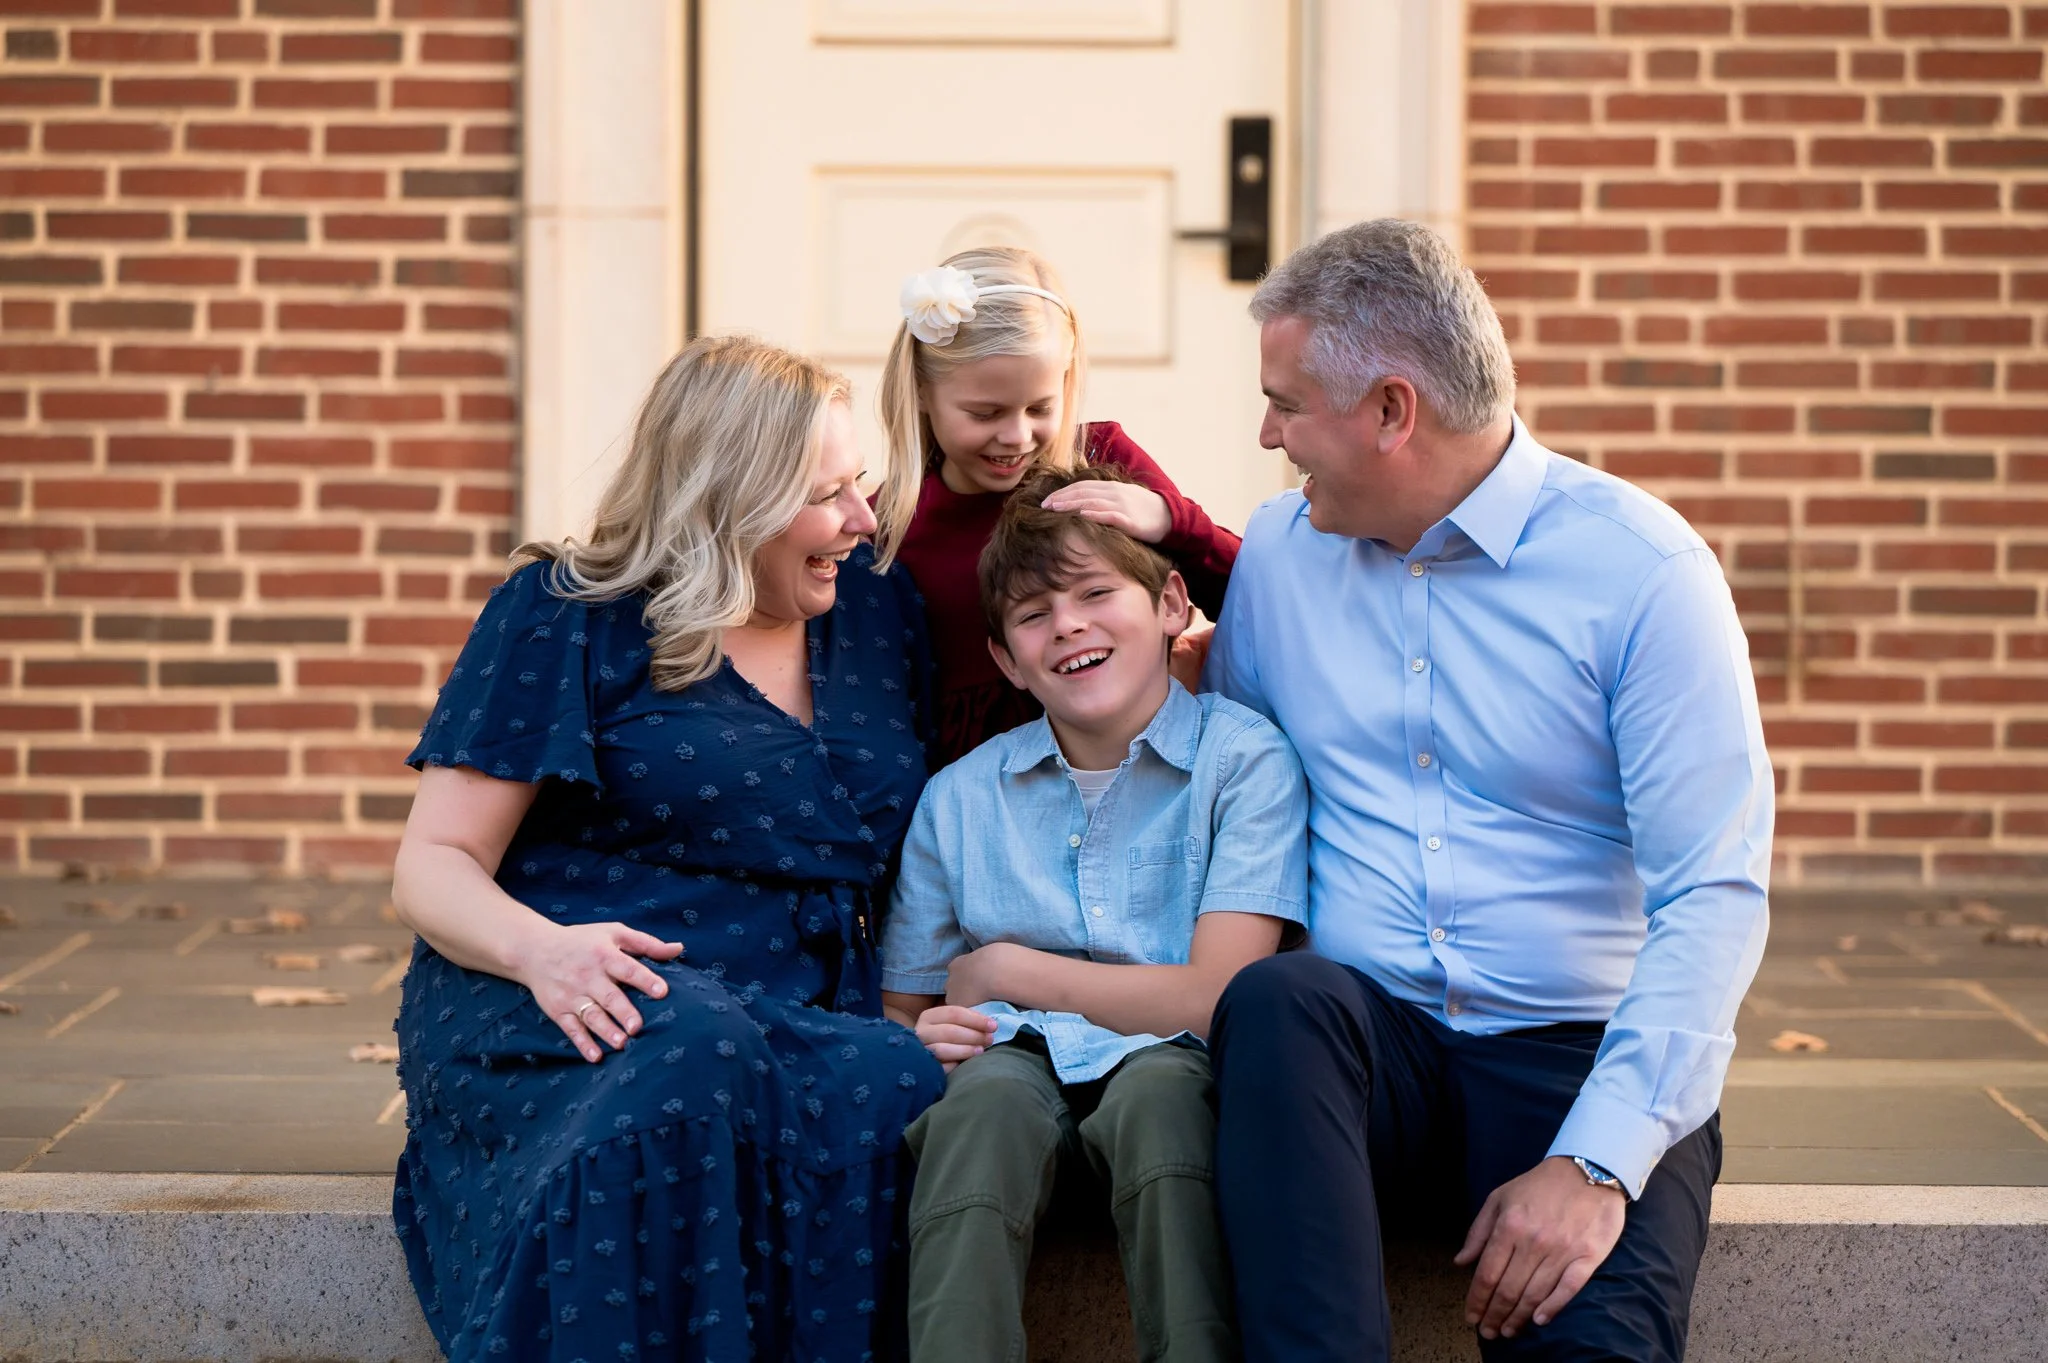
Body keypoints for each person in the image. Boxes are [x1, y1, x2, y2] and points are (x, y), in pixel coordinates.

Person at [1202, 219, 1772, 1363]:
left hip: (1575, 1058)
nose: (1265, 434)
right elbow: (1230, 796)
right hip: (1363, 1059)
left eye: (1283, 403)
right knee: (1278, 1004)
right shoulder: (1276, 557)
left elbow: (1712, 893)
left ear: (1389, 411)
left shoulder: (1642, 575)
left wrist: (1596, 1159)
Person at [389, 334, 947, 1363]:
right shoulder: (566, 614)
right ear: (729, 498)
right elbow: (432, 865)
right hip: (564, 984)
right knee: (693, 1054)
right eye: (829, 494)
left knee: (890, 1078)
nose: (863, 520)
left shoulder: (873, 609)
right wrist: (539, 952)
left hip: (800, 1004)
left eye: (860, 485)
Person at [877, 465, 1309, 1363]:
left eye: (1094, 592)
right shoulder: (958, 799)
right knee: (977, 1115)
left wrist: (1004, 969)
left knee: (1164, 1105)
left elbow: (1216, 997)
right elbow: (907, 1011)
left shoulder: (1244, 762)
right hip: (1012, 1059)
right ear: (1005, 660)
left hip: (1173, 1061)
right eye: (1033, 615)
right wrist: (928, 1038)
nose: (1067, 623)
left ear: (1171, 602)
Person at [873, 246, 1241, 768]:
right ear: (921, 393)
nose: (1017, 435)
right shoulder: (887, 528)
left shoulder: (1105, 463)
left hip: (1143, 770)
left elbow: (1253, 601)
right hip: (991, 804)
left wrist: (1169, 521)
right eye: (986, 412)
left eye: (1040, 408)